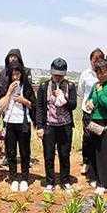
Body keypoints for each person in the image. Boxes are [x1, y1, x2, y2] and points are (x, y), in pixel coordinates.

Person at [36, 58, 77, 192]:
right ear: (51, 73)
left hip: (65, 126)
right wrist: (40, 126)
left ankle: (65, 180)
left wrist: (64, 99)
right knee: (48, 155)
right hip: (49, 126)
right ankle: (50, 181)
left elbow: (73, 105)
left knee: (64, 154)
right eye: (55, 74)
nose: (58, 77)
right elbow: (40, 107)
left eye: (60, 75)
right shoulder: (44, 86)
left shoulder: (70, 86)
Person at [0, 61, 36, 192]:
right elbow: (1, 107)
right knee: (11, 152)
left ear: (22, 74)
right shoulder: (6, 87)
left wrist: (23, 100)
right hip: (10, 122)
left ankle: (25, 178)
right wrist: (9, 92)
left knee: (25, 152)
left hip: (24, 122)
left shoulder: (27, 86)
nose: (15, 77)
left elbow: (34, 105)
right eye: (13, 74)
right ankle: (13, 177)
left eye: (18, 74)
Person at [85, 59, 107, 194]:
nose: (100, 75)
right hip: (95, 121)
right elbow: (90, 99)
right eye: (98, 73)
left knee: (104, 154)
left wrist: (99, 93)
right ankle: (94, 177)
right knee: (94, 151)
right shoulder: (96, 85)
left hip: (106, 123)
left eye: (103, 72)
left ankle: (103, 183)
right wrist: (89, 103)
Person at [78, 48, 105, 174]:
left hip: (101, 113)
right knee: (88, 137)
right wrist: (88, 104)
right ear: (90, 60)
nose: (96, 63)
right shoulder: (85, 74)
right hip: (88, 111)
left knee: (99, 138)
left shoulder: (106, 74)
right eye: (94, 60)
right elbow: (81, 92)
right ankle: (86, 162)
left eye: (99, 60)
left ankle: (98, 163)